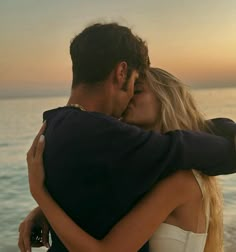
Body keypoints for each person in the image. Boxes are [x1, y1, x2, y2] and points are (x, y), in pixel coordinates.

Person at [18, 22, 236, 252]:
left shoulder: (152, 167)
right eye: (134, 84)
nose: (130, 95)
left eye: (138, 90)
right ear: (121, 72)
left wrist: (42, 199)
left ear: (166, 102)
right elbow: (184, 147)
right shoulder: (117, 144)